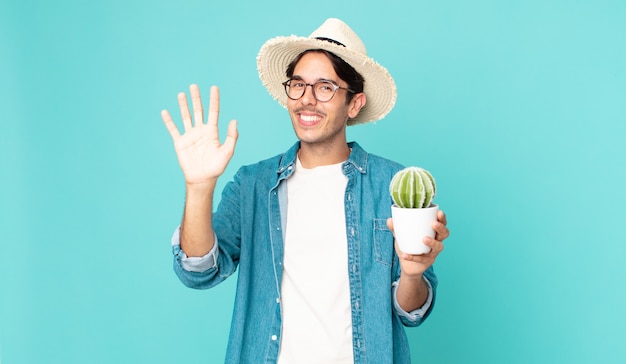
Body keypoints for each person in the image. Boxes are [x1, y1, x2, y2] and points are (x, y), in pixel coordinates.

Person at [161, 18, 450, 364]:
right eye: (298, 85)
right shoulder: (253, 184)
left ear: (354, 103)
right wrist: (198, 188)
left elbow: (412, 311)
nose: (307, 100)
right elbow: (197, 271)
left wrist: (413, 273)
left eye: (325, 87)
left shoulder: (392, 184)